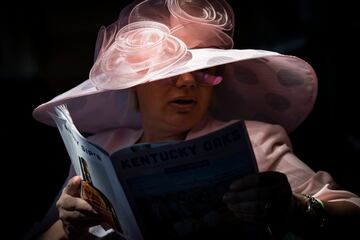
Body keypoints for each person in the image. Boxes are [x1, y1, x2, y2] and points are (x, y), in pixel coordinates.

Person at [28, 0, 360, 239]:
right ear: (134, 86)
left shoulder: (254, 140)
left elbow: (350, 209)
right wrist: (69, 226)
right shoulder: (96, 151)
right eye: (166, 73)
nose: (188, 82)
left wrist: (293, 208)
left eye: (204, 72)